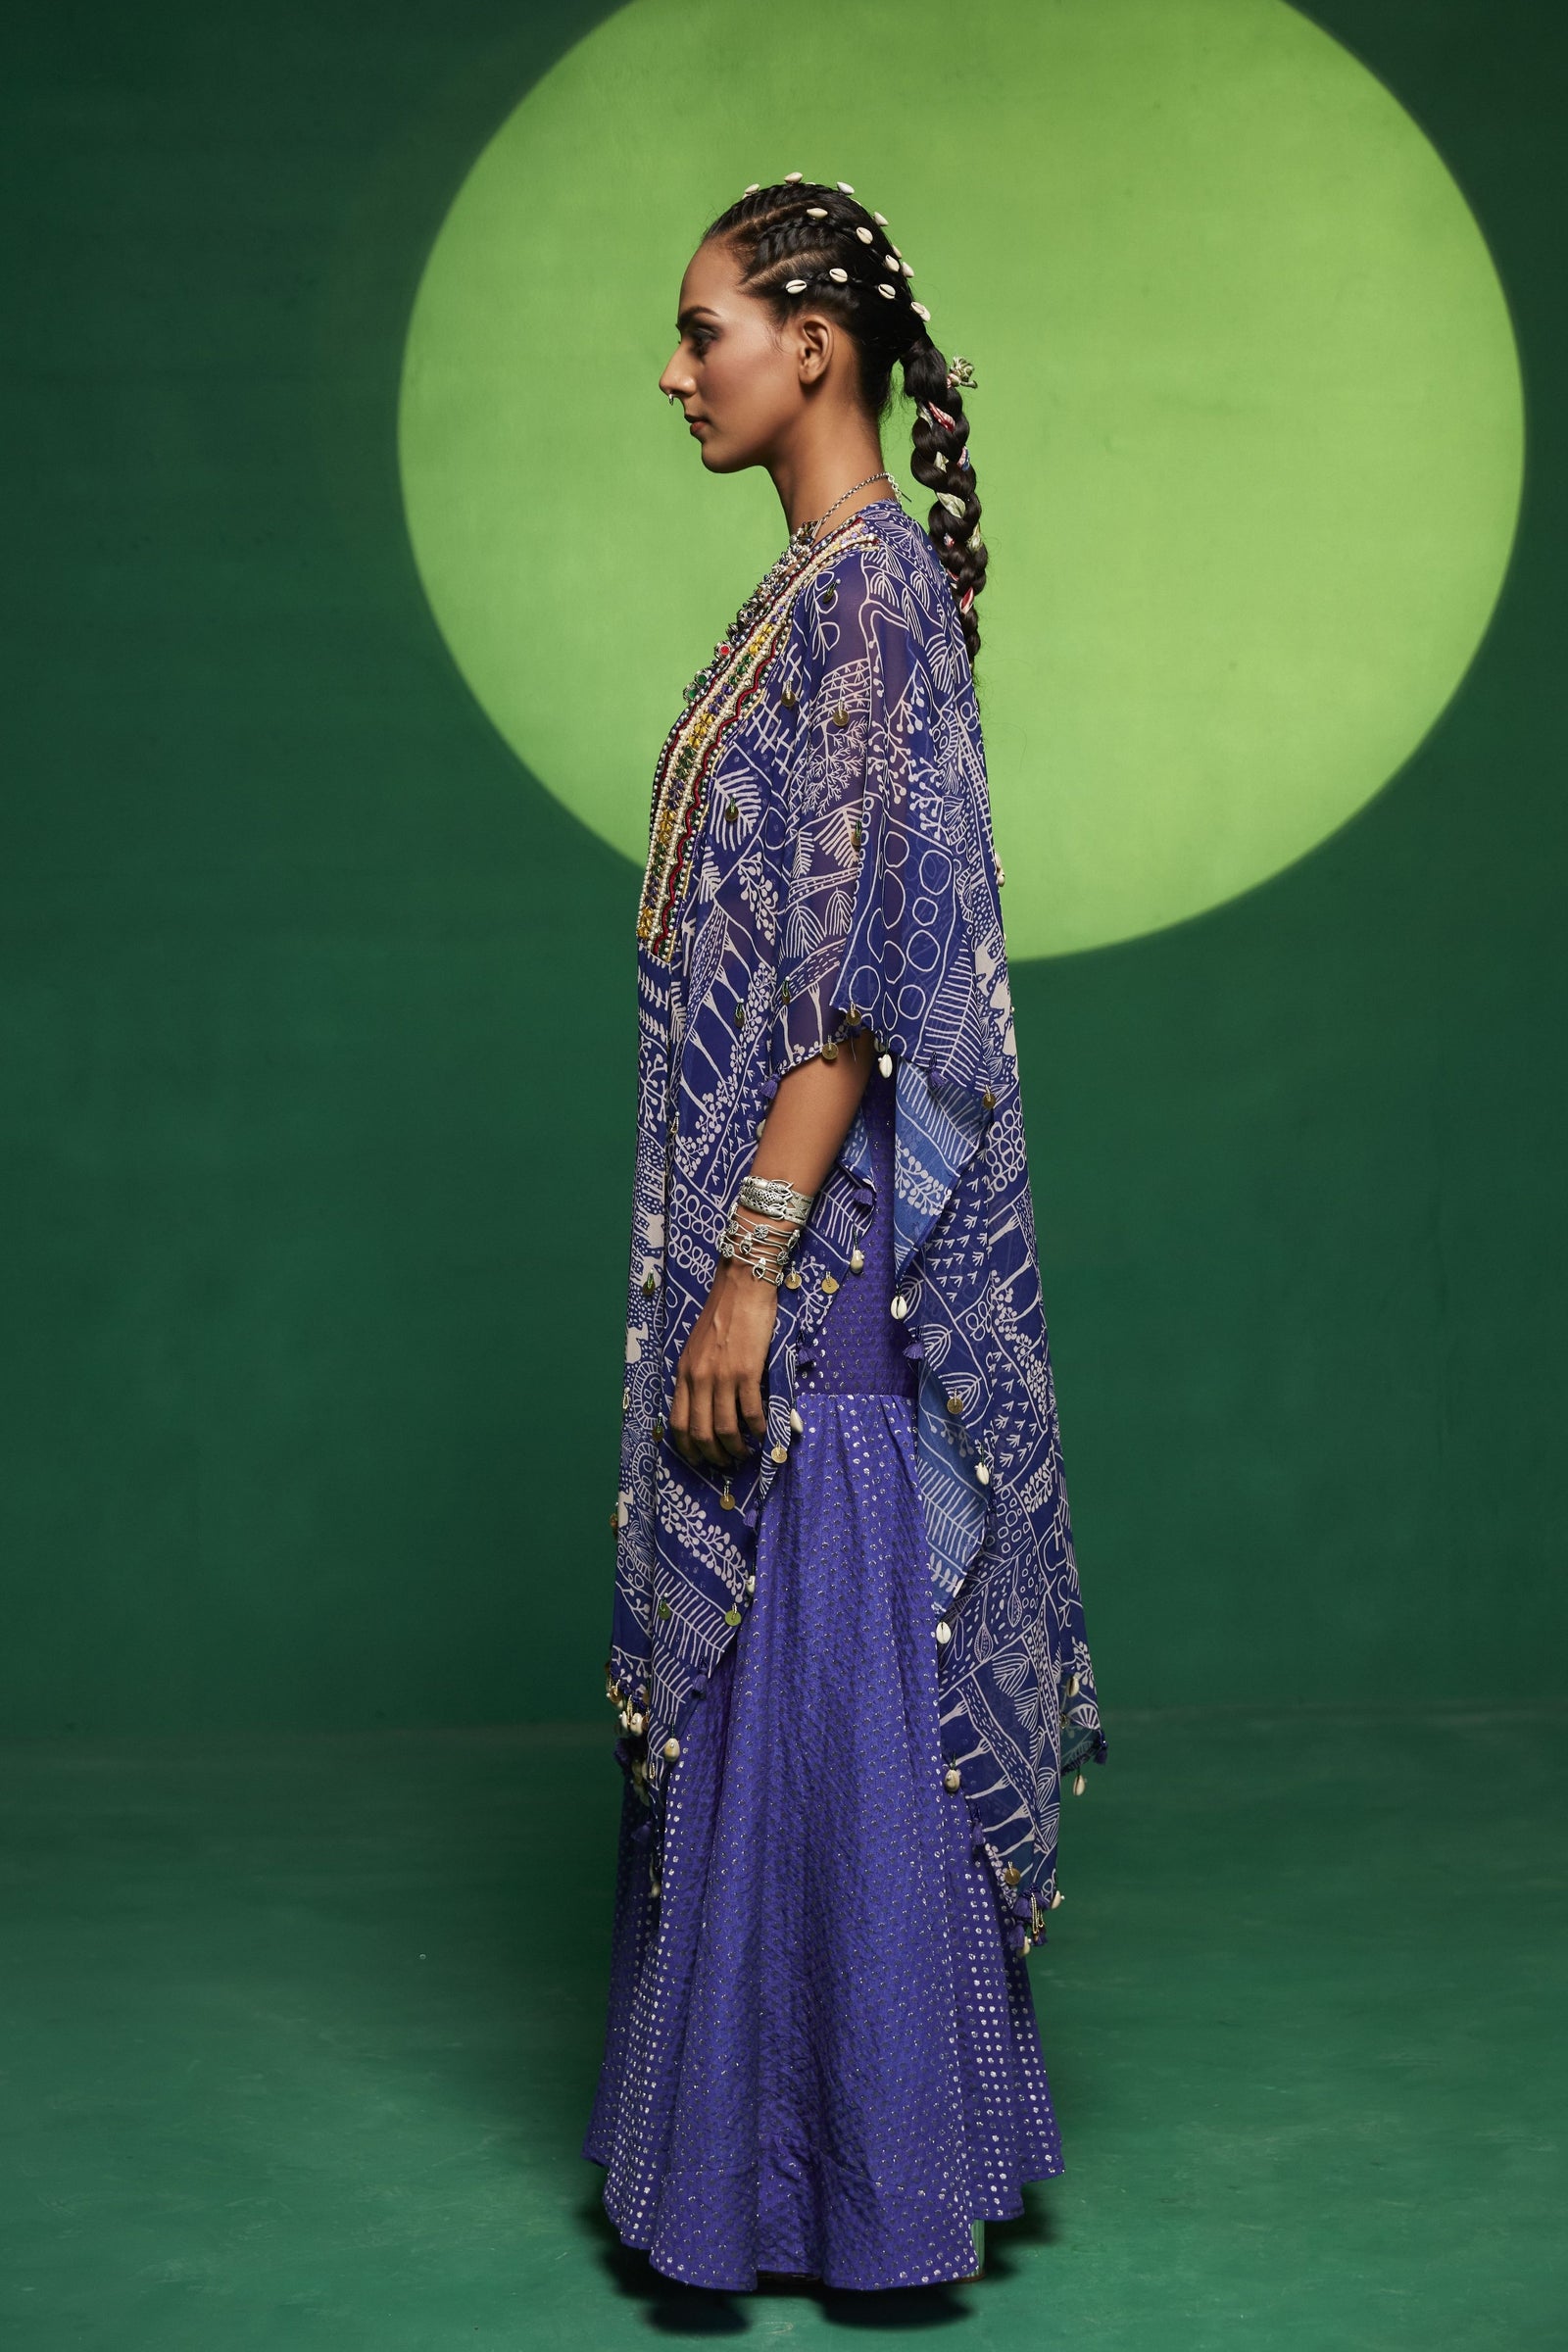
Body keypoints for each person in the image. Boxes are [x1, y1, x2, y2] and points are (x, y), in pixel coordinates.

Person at [582, 174, 1104, 2295]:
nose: (673, 371)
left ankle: (852, 2180)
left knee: (830, 1649)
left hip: (827, 1276)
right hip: (799, 1249)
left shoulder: (869, 594)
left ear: (813, 348)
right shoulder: (809, 593)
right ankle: (786, 2166)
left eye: (701, 328)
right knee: (797, 1654)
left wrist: (751, 1258)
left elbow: (862, 980)